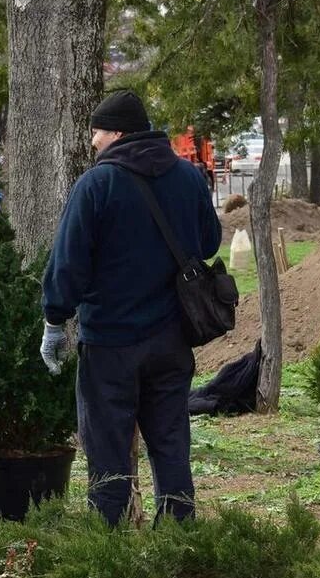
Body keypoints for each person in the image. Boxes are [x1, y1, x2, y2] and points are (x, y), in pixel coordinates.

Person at [40, 90, 222, 526]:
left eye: (97, 132)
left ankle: (108, 556)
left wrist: (53, 321)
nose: (94, 141)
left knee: (107, 455)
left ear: (117, 132)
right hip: (172, 341)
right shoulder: (189, 178)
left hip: (110, 344)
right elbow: (210, 242)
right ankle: (178, 543)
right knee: (171, 446)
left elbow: (68, 263)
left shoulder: (96, 185)